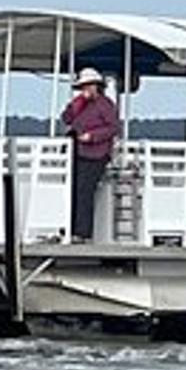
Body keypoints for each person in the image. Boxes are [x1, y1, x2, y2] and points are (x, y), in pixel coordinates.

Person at [60, 67, 121, 241]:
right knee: (74, 189)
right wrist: (76, 104)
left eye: (90, 85)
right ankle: (70, 227)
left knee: (85, 191)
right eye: (84, 86)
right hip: (78, 151)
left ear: (97, 86)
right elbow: (66, 118)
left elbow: (114, 128)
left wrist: (93, 136)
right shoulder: (79, 104)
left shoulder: (105, 104)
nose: (87, 89)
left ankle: (82, 232)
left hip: (96, 154)